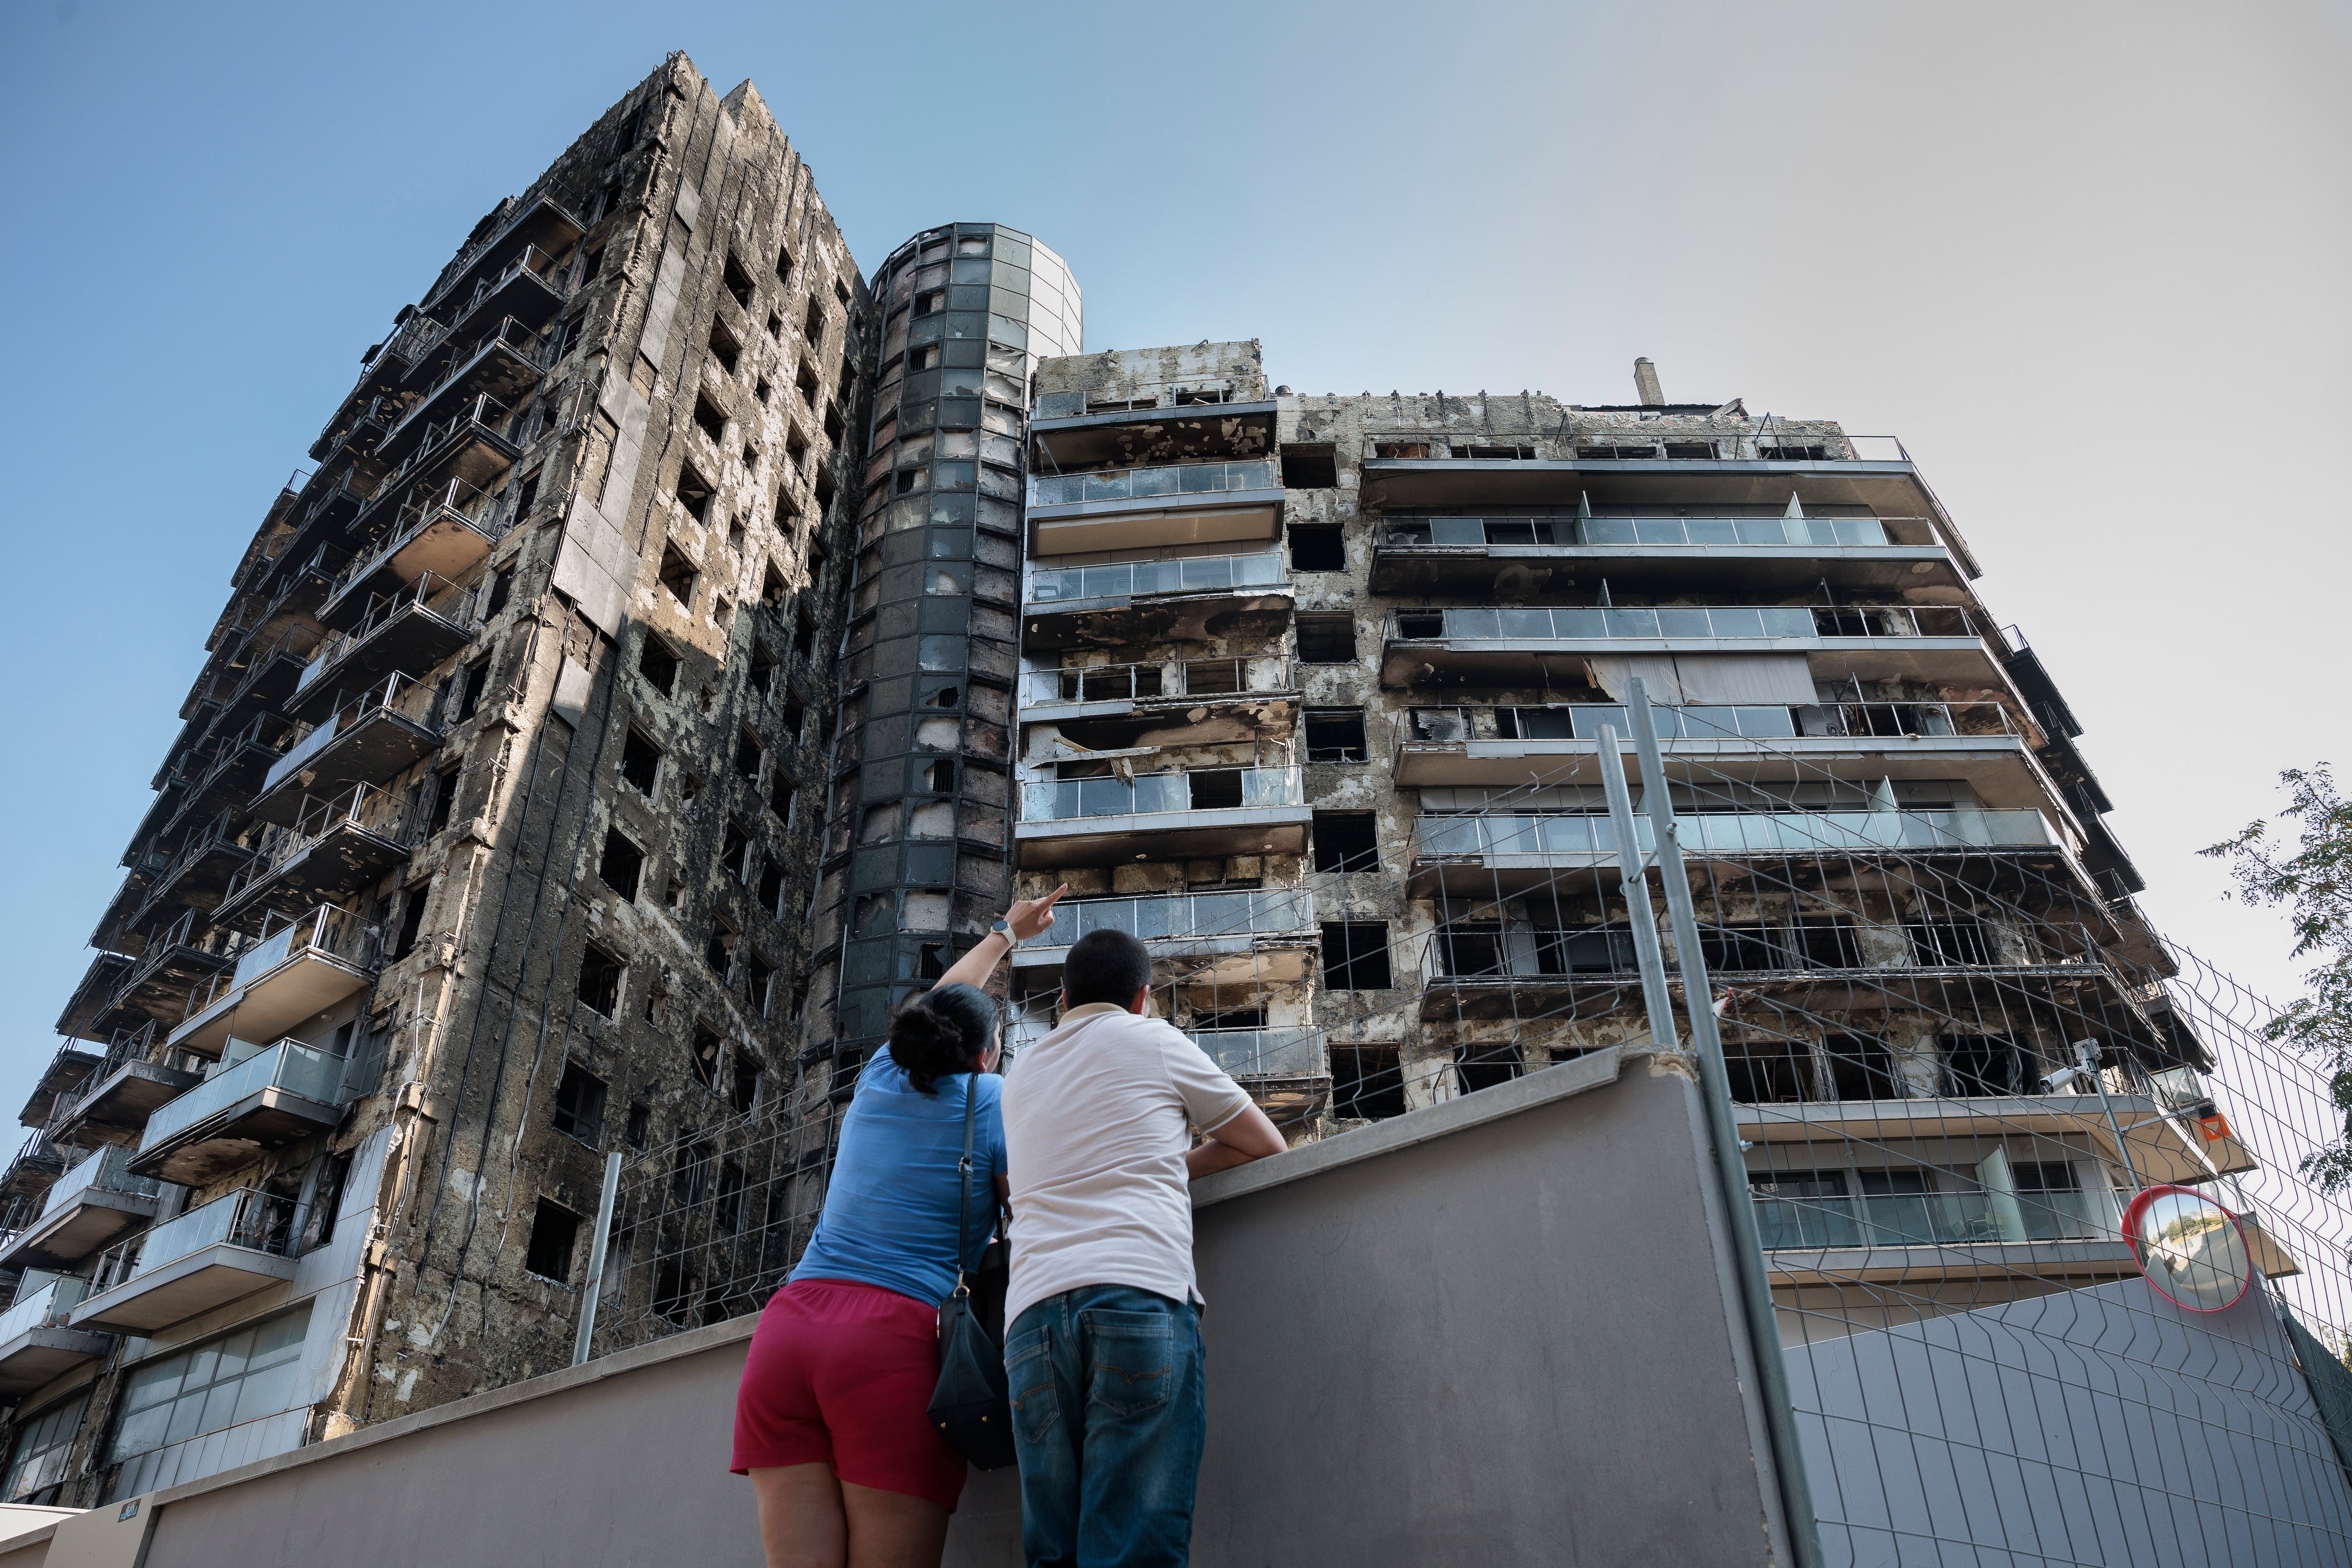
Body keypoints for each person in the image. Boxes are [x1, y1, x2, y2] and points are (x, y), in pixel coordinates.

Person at [733, 886, 1068, 1568]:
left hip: (787, 1335)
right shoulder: (991, 1100)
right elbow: (1031, 1206)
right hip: (891, 1346)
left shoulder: (881, 1074)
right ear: (983, 1057)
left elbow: (940, 997)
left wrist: (1006, 930)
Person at [999, 926, 1288, 1568]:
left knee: (1054, 1552)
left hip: (1030, 1322)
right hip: (1135, 1292)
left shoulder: (1019, 1076)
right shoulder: (1152, 1039)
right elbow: (1264, 1142)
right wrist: (1163, 1165)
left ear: (1065, 996)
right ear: (1144, 997)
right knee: (1131, 1549)